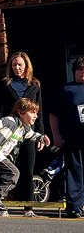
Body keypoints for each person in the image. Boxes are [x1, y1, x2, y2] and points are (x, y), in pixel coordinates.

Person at [0, 51, 43, 216]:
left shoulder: (34, 85)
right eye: (14, 65)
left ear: (26, 66)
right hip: (8, 133)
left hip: (28, 133)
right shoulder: (4, 83)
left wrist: (40, 135)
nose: (17, 68)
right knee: (6, 170)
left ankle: (28, 208)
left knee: (27, 170)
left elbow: (39, 113)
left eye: (20, 65)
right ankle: (0, 204)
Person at [49, 57, 84, 219]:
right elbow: (54, 114)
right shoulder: (66, 89)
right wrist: (56, 135)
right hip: (73, 138)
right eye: (80, 69)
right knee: (74, 172)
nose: (83, 73)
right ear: (74, 71)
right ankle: (74, 207)